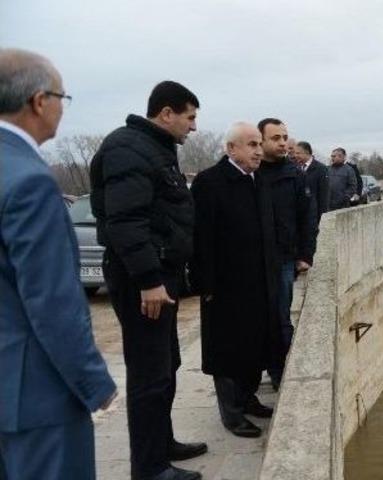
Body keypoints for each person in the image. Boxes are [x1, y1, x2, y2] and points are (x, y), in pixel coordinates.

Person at [0, 48, 116, 480]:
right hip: (36, 397)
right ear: (38, 100)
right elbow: (52, 303)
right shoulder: (30, 180)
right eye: (62, 98)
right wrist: (94, 383)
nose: (62, 110)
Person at [90, 81, 205, 480]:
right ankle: (150, 468)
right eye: (189, 117)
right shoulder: (128, 148)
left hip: (161, 277)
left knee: (166, 364)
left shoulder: (155, 147)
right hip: (144, 282)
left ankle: (162, 444)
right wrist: (148, 280)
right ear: (167, 113)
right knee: (148, 373)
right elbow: (125, 221)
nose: (193, 127)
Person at [190, 122, 280, 438]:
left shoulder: (259, 180)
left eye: (259, 144)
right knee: (228, 350)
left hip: (258, 281)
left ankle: (247, 397)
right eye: (252, 145)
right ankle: (231, 413)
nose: (258, 150)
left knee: (255, 344)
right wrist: (207, 285)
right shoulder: (209, 183)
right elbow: (201, 238)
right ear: (231, 149)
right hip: (225, 286)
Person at [256, 118, 315, 390]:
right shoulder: (252, 173)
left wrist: (305, 255)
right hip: (255, 260)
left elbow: (307, 218)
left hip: (283, 259)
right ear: (262, 140)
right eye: (276, 138)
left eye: (285, 138)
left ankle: (281, 371)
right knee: (258, 317)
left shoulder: (294, 175)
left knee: (281, 316)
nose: (283, 143)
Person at [294, 140, 329, 226]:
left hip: (313, 216)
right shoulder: (295, 167)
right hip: (298, 215)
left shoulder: (321, 169)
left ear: (307, 153)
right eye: (295, 153)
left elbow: (323, 195)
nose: (295, 156)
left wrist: (321, 217)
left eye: (298, 153)